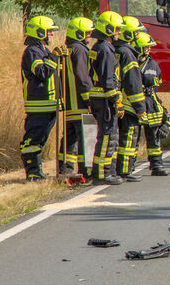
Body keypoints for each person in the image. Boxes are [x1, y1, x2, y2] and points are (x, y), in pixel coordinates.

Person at [19, 16, 62, 180]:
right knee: (33, 138)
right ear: (40, 32)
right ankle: (33, 173)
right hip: (38, 105)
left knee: (41, 138)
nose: (51, 35)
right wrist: (54, 58)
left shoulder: (43, 51)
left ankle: (36, 171)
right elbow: (43, 73)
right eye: (49, 31)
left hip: (49, 104)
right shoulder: (32, 52)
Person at [89, 11, 125, 185]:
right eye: (117, 29)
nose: (119, 32)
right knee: (107, 136)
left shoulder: (100, 47)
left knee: (107, 135)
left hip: (100, 97)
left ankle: (106, 171)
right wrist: (116, 100)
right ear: (109, 29)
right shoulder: (105, 49)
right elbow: (108, 79)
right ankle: (103, 174)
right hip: (104, 98)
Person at [57, 17, 95, 177]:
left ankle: (65, 168)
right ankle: (86, 170)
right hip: (81, 104)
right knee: (86, 137)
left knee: (69, 139)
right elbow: (83, 77)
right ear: (78, 33)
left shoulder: (68, 49)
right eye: (86, 33)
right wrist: (89, 100)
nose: (89, 36)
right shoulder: (80, 50)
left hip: (69, 104)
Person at [113, 16, 147, 182]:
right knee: (128, 137)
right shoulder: (128, 54)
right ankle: (125, 170)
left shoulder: (114, 50)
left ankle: (116, 169)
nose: (138, 36)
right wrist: (140, 108)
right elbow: (133, 84)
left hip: (116, 102)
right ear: (128, 35)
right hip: (128, 105)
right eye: (135, 33)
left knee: (117, 137)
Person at [133, 32, 169, 176]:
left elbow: (158, 81)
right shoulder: (131, 61)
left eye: (149, 47)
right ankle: (128, 167)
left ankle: (157, 165)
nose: (149, 49)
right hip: (135, 102)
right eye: (146, 47)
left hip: (151, 103)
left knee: (154, 136)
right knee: (133, 137)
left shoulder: (152, 63)